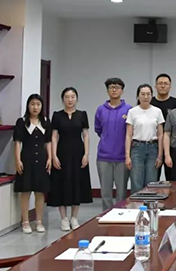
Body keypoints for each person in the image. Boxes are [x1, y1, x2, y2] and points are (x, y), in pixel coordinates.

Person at [48, 87, 92, 231]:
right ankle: (63, 218)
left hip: (78, 153)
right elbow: (54, 136)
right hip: (62, 152)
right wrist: (54, 155)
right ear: (63, 99)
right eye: (67, 97)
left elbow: (86, 135)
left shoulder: (82, 115)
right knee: (61, 183)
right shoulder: (57, 115)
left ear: (76, 99)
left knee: (76, 183)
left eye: (73, 97)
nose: (70, 99)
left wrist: (86, 154)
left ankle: (74, 217)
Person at [13, 94, 52, 234]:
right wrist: (18, 160)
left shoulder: (45, 122)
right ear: (28, 106)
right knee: (26, 191)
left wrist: (50, 158)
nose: (35, 107)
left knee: (40, 192)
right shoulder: (22, 122)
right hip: (26, 160)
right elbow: (17, 143)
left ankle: (39, 221)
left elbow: (48, 142)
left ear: (42, 107)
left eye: (38, 104)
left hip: (41, 160)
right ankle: (25, 221)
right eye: (32, 104)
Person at [94, 77, 132, 211]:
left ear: (122, 90)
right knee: (105, 192)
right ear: (107, 90)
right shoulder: (100, 110)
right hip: (104, 157)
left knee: (121, 192)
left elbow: (131, 132)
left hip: (122, 157)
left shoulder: (129, 110)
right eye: (111, 87)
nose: (114, 90)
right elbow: (98, 129)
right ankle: (106, 216)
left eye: (117, 87)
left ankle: (120, 217)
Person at [125, 84, 164, 194]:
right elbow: (128, 135)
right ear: (138, 96)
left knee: (151, 182)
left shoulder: (157, 111)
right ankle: (136, 204)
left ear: (152, 96)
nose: (145, 97)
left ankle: (149, 205)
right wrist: (127, 156)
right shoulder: (132, 112)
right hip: (137, 148)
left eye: (148, 94)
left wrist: (160, 155)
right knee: (136, 180)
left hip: (153, 148)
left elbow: (160, 134)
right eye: (143, 94)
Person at [150, 73, 176, 180]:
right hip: (153, 145)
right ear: (155, 86)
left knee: (172, 178)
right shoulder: (150, 102)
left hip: (171, 146)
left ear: (170, 87)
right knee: (152, 178)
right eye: (160, 83)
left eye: (166, 84)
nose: (163, 86)